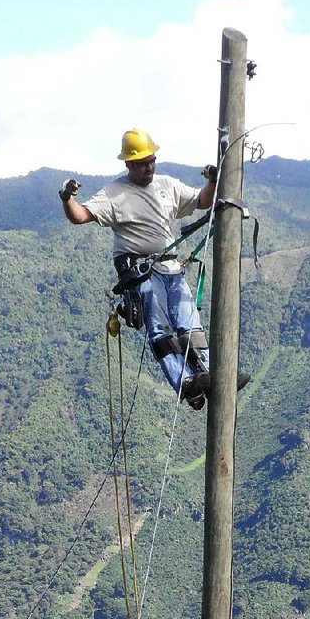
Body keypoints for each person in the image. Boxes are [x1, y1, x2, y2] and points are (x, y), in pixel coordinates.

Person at [59, 128, 249, 411]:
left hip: (172, 267)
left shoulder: (166, 185)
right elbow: (81, 216)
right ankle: (185, 382)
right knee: (160, 331)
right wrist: (67, 198)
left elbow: (201, 201)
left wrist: (212, 180)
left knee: (190, 324)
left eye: (151, 161)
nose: (149, 167)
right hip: (142, 271)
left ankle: (213, 378)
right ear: (128, 164)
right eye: (142, 163)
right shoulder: (115, 193)